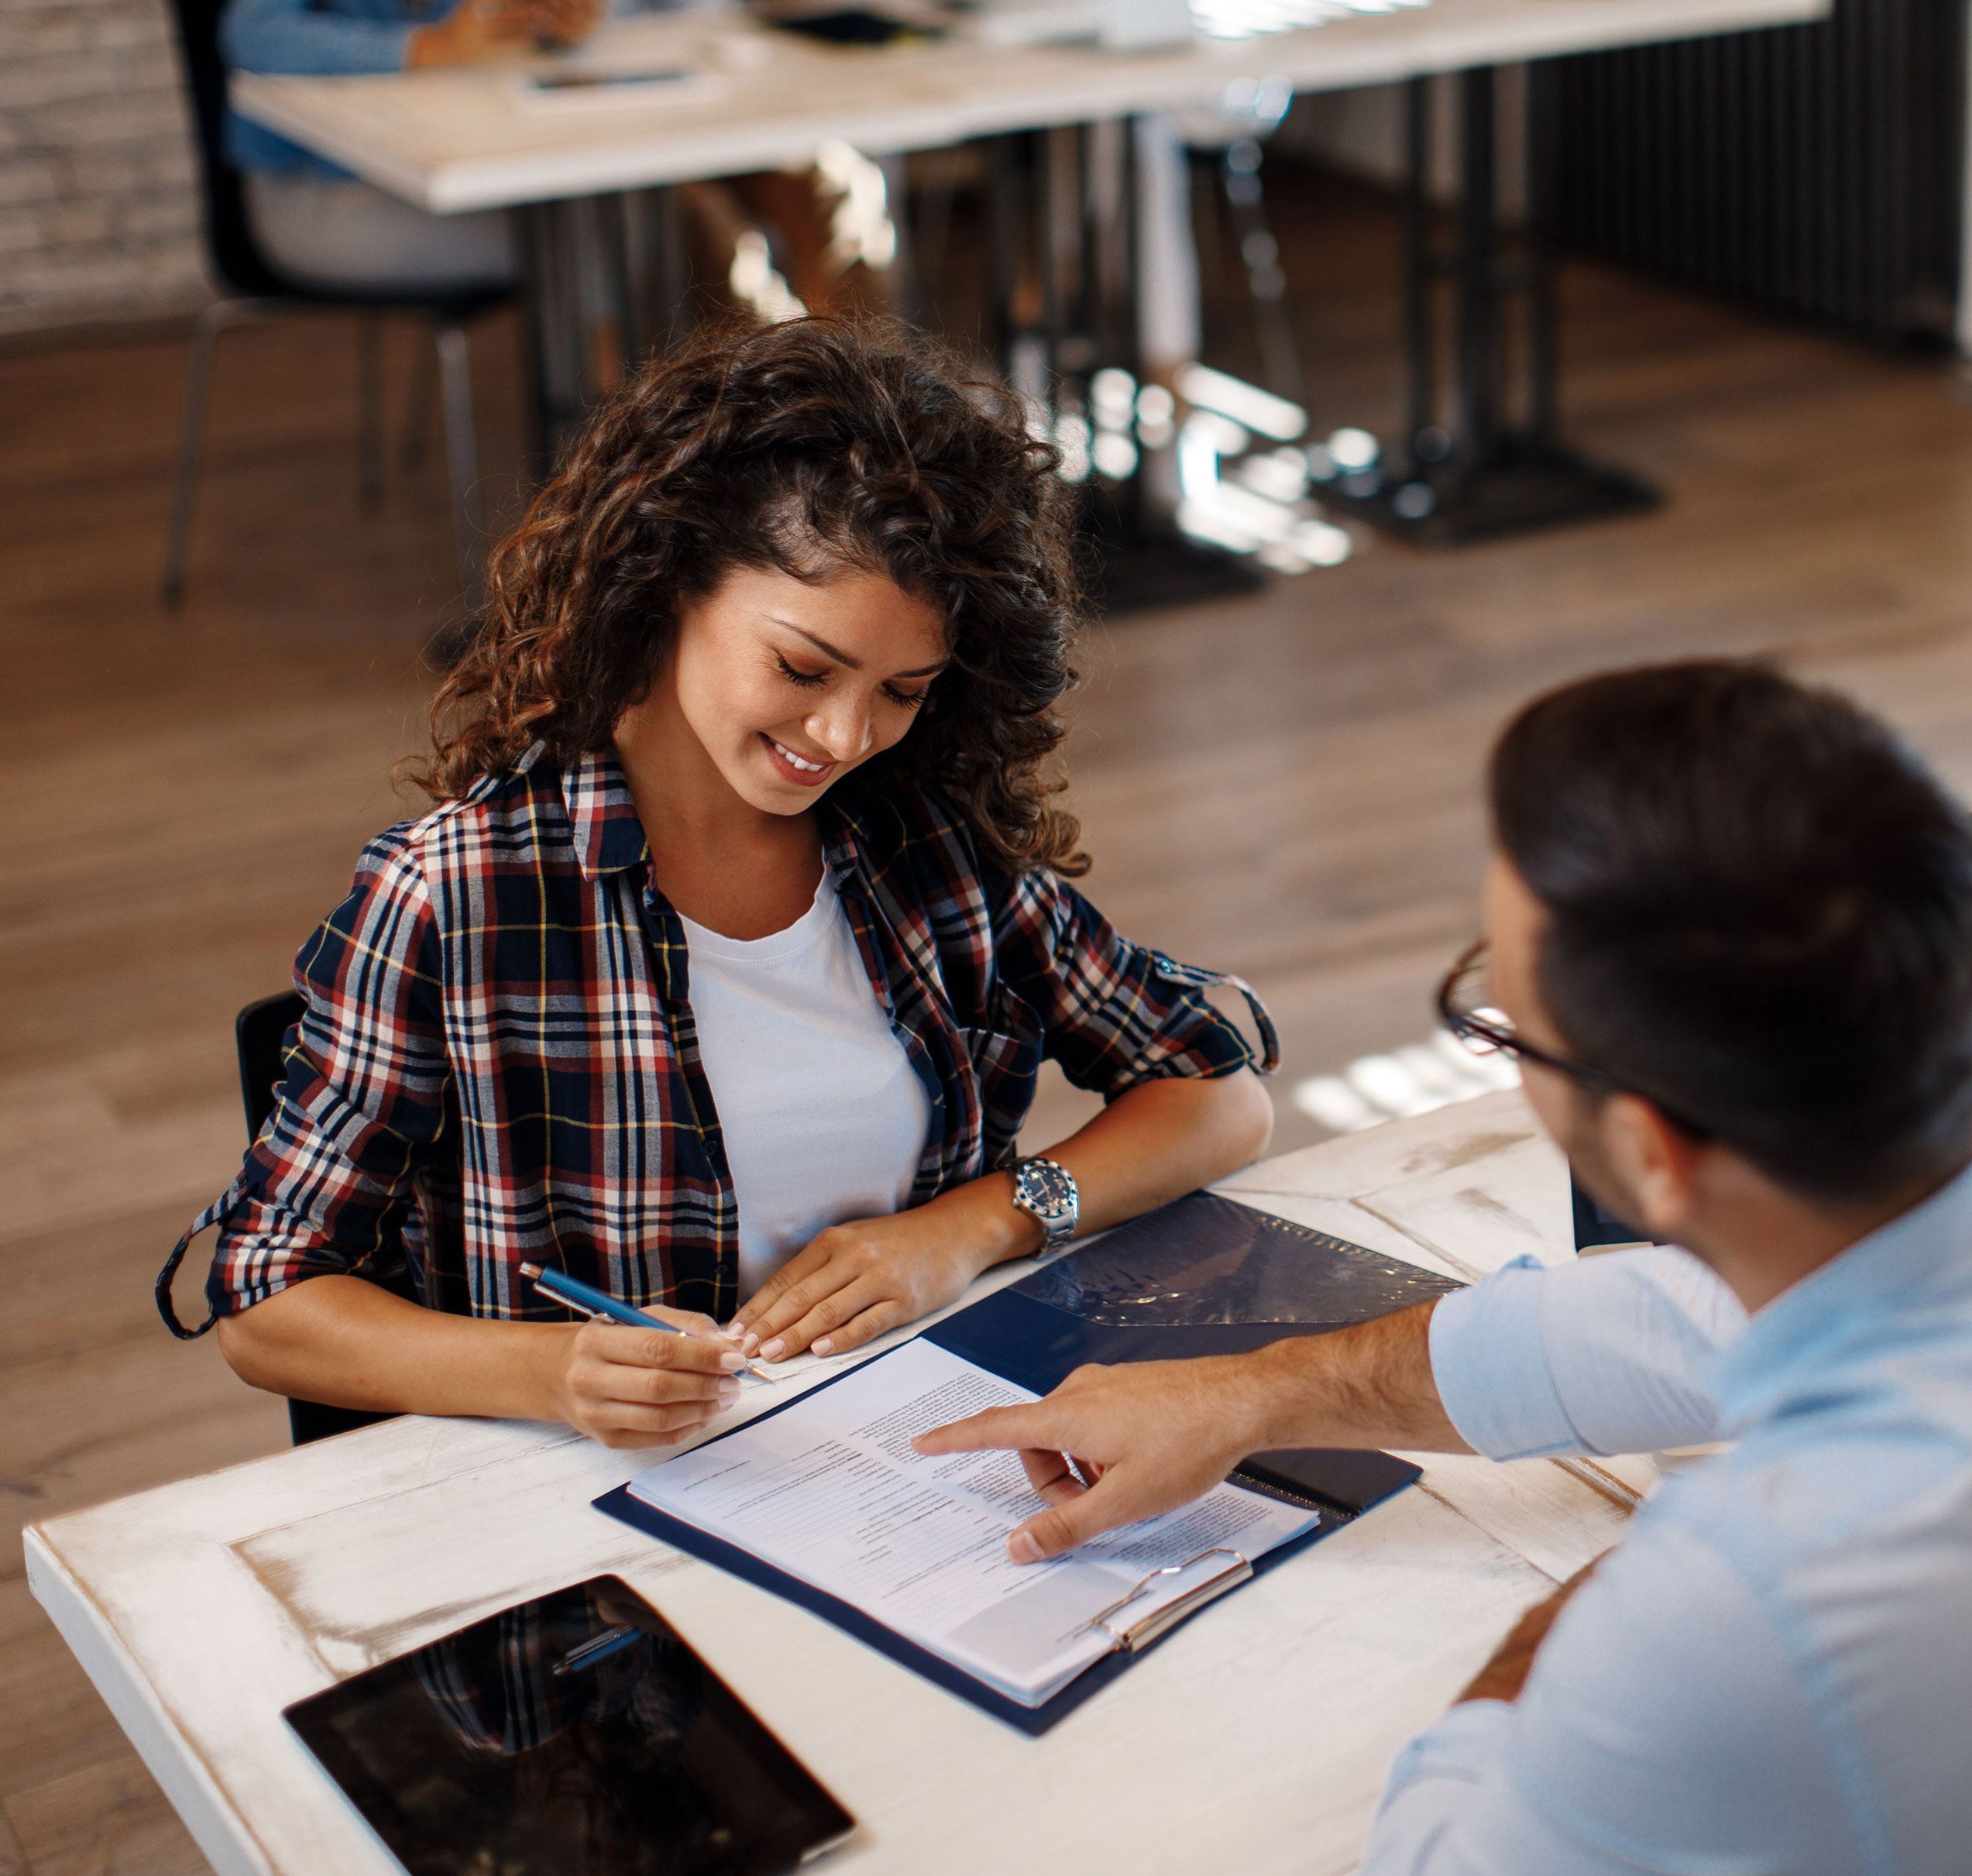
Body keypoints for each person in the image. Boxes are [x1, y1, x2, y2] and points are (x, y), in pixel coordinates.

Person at [914, 662, 1972, 1876]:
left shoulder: (1752, 1617)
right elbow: (1658, 1324)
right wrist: (1246, 1396)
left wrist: (1582, 1625)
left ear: (1658, 1150)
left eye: (1503, 1019)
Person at [156, 315, 1276, 1451]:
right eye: (803, 666)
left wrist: (973, 1227)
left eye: (904, 690)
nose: (845, 735)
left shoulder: (925, 850)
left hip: (919, 1467)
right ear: (669, 581)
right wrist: (554, 1372)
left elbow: (1219, 1100)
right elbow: (266, 1298)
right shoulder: (453, 901)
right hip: (594, 1533)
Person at [221, 0, 892, 318]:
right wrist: (428, 47)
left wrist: (578, 17)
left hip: (580, 128)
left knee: (830, 182)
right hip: (347, 188)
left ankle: (886, 436)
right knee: (652, 218)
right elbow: (250, 31)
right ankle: (777, 440)